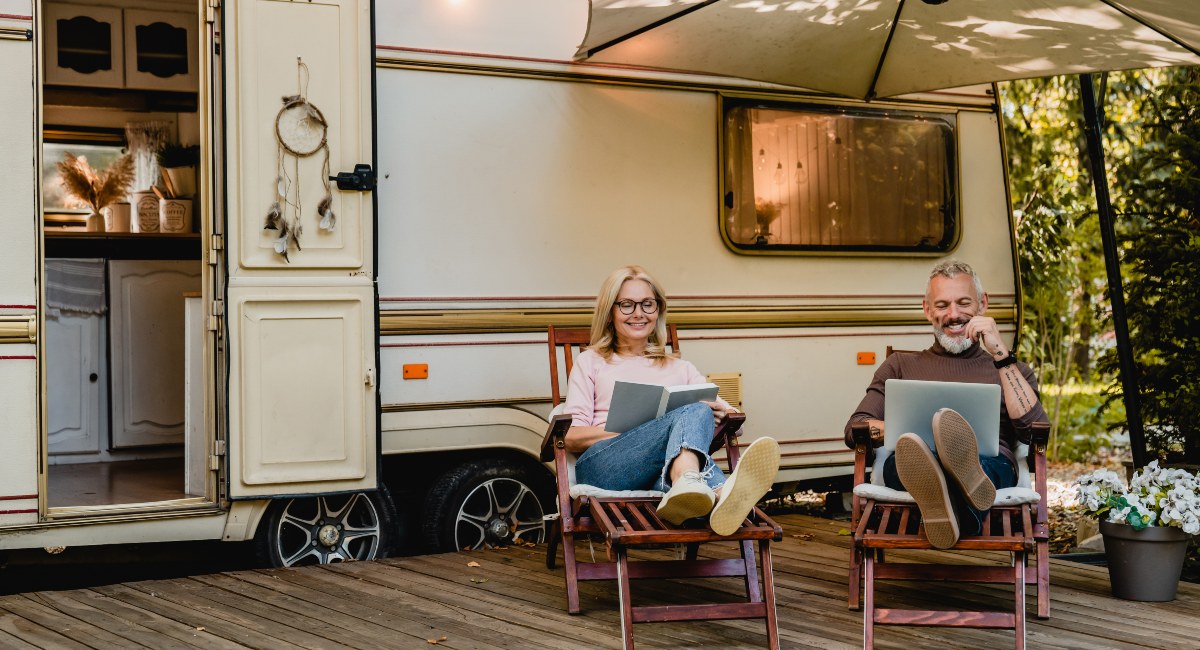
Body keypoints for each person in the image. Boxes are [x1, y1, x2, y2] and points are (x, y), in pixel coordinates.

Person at [845, 260, 1049, 548]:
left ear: (983, 303)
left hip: (989, 464)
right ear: (927, 310)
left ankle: (953, 487)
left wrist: (1001, 354)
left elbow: (1033, 432)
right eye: (942, 305)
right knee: (907, 459)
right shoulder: (899, 366)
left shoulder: (1011, 370)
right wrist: (900, 432)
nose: (954, 315)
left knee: (984, 467)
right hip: (913, 466)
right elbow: (855, 429)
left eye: (964, 303)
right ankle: (963, 505)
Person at [565, 265, 780, 536]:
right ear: (610, 312)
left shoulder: (680, 368)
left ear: (658, 311)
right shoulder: (591, 362)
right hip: (604, 467)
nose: (639, 314)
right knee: (691, 411)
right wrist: (640, 433)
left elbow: (736, 423)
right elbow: (570, 437)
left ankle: (689, 483)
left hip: (655, 472)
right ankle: (720, 489)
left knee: (698, 411)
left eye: (647, 304)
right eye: (627, 305)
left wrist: (721, 414)